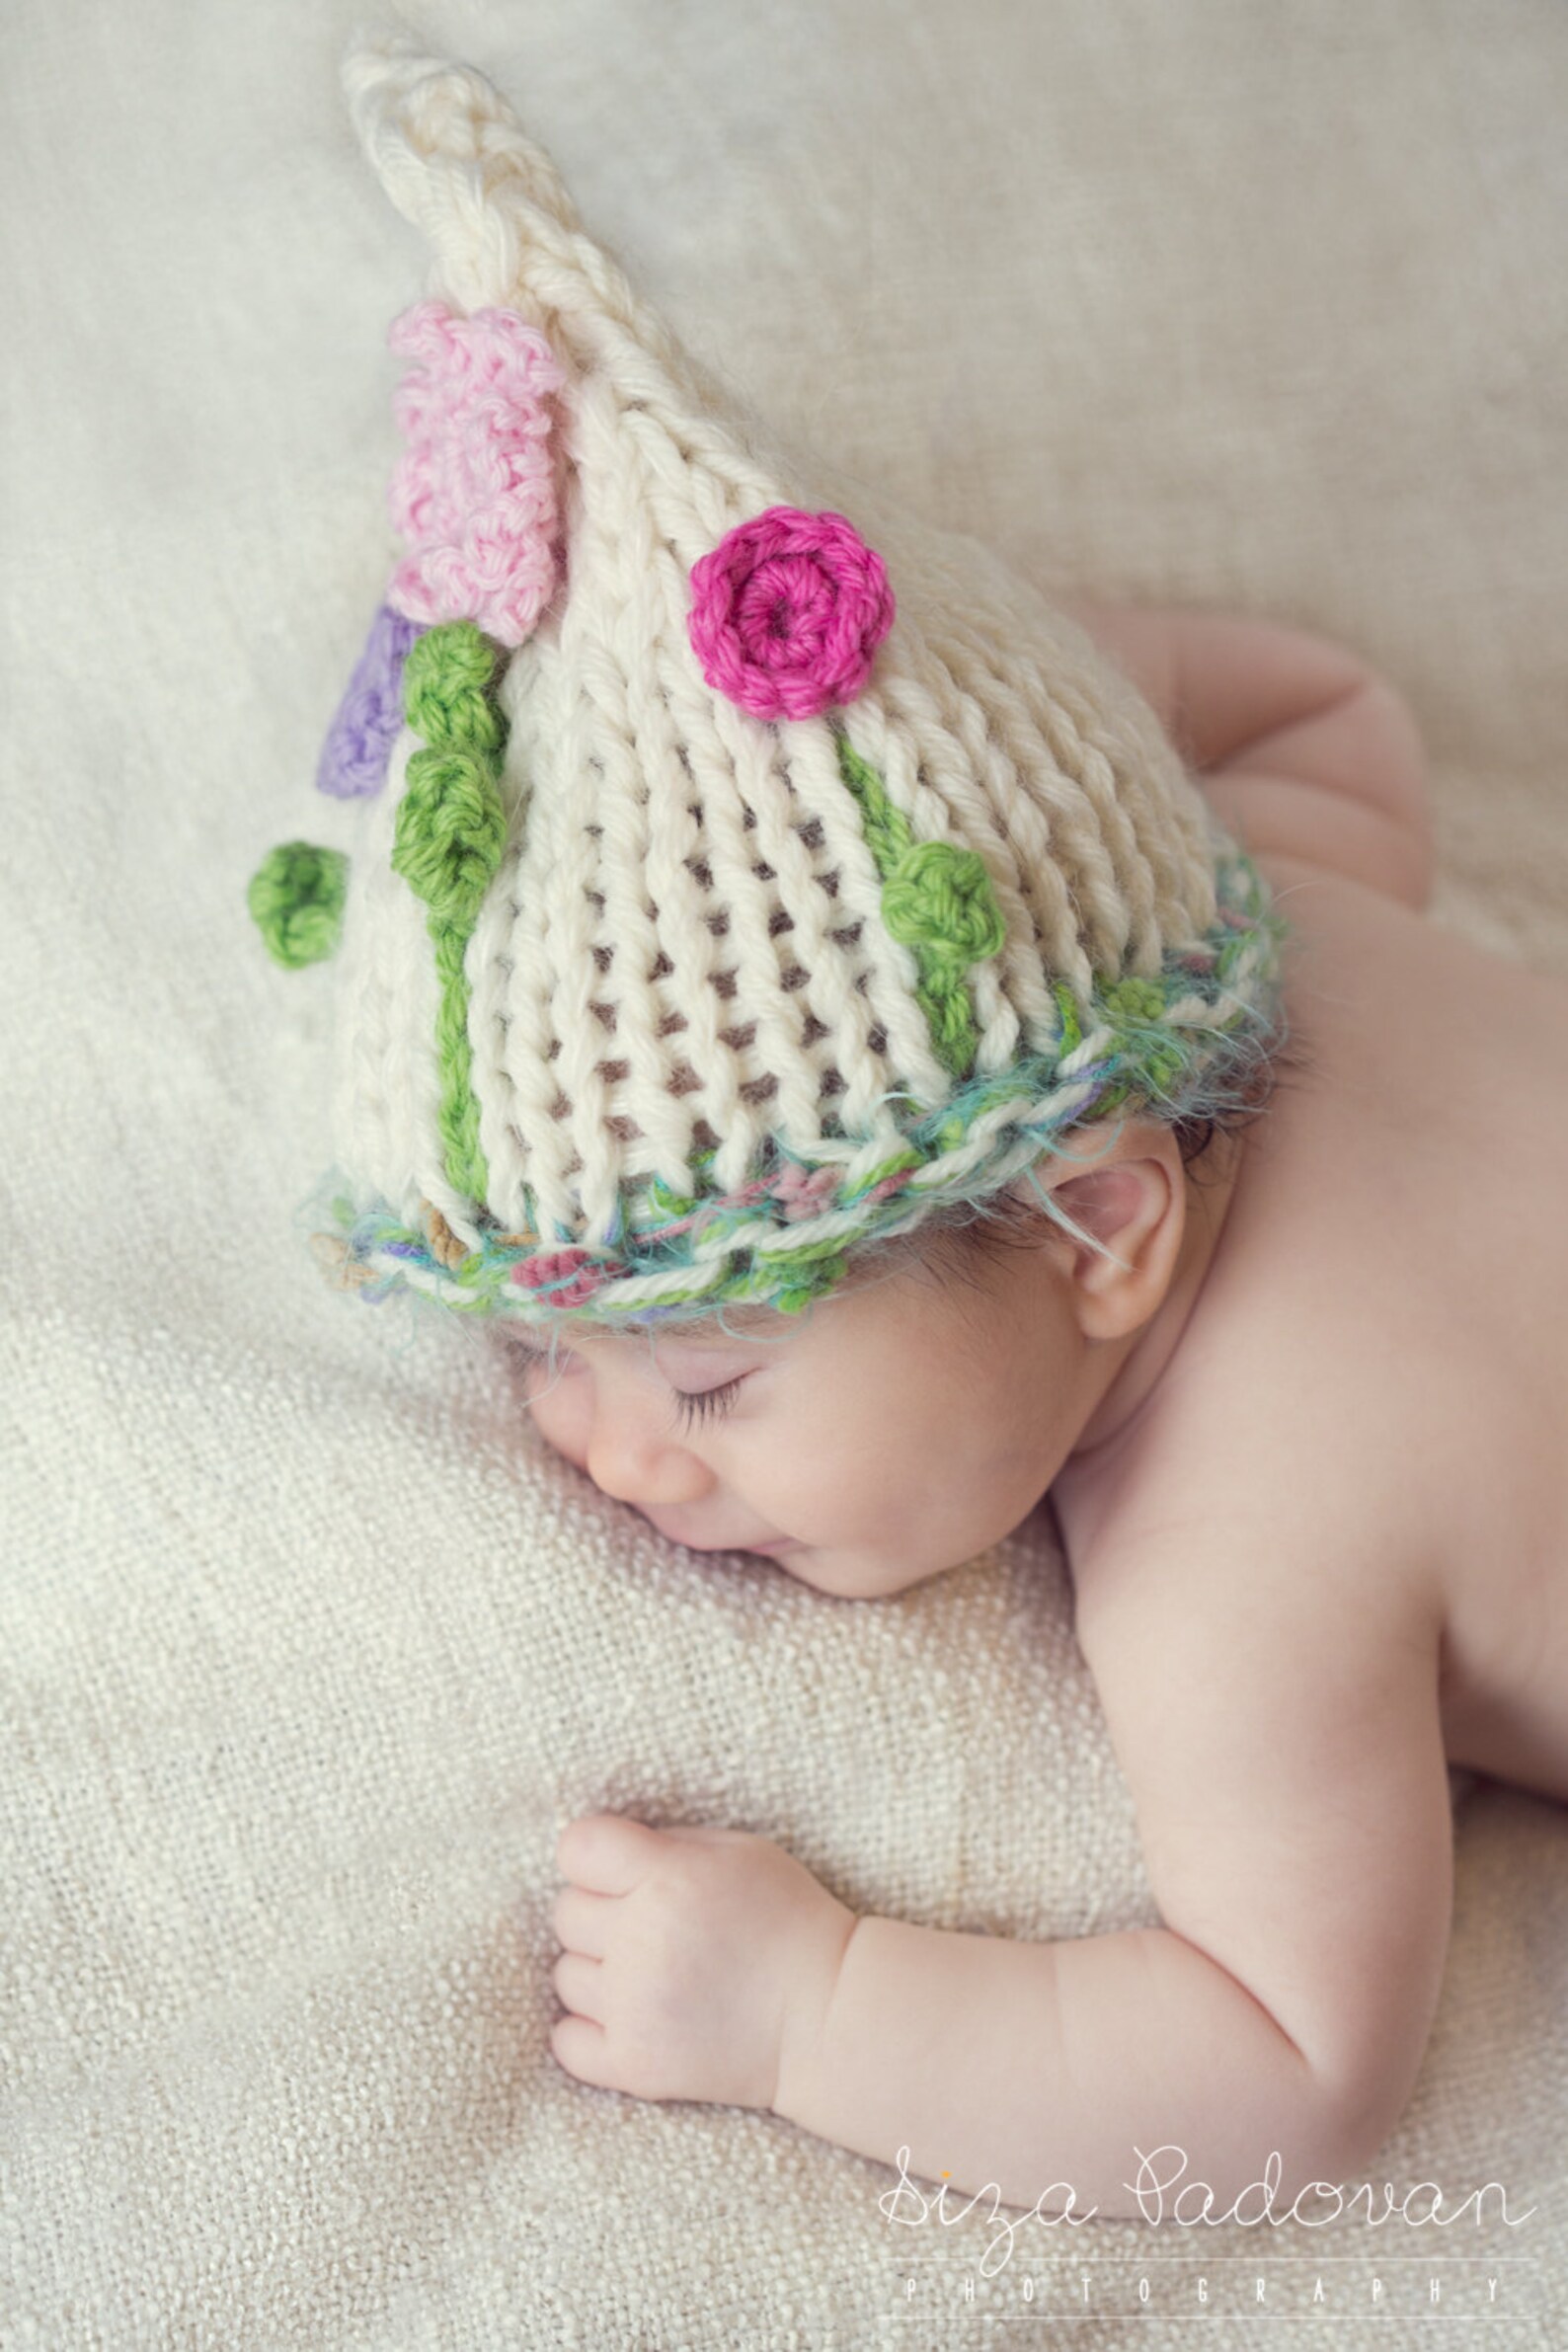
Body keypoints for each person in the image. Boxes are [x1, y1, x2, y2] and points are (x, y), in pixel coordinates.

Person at [251, 37, 1568, 2221]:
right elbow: (1314, 702)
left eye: (708, 1375)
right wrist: (991, 715)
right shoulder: (1285, 879)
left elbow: (1297, 2066)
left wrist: (814, 2010)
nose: (598, 1447)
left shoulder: (1246, 1540)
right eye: (556, 1353)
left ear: (1094, 1223)